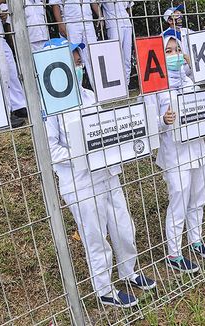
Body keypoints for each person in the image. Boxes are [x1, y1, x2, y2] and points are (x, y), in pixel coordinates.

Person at [44, 38, 156, 308]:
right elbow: (50, 150)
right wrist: (82, 153)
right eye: (73, 57)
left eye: (79, 56)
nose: (79, 61)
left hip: (106, 173)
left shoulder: (89, 95)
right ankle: (104, 289)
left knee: (123, 226)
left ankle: (129, 271)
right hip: (79, 181)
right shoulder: (48, 106)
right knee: (95, 236)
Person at [144, 30, 205, 274]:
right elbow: (149, 123)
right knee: (179, 198)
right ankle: (174, 252)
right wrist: (164, 120)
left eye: (176, 50)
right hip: (174, 153)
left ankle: (195, 239)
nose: (174, 55)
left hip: (197, 149)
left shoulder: (188, 82)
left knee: (199, 195)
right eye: (168, 51)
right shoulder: (155, 87)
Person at [49, 0, 101, 89]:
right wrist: (60, 24)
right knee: (74, 58)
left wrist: (101, 16)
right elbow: (56, 4)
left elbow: (93, 1)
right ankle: (77, 91)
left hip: (88, 21)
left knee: (93, 56)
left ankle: (98, 90)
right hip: (71, 22)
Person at [101, 0, 134, 87]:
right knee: (114, 55)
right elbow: (96, 4)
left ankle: (126, 84)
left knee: (127, 56)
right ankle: (116, 85)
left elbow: (129, 6)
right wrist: (101, 18)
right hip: (113, 24)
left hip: (126, 23)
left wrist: (126, 16)